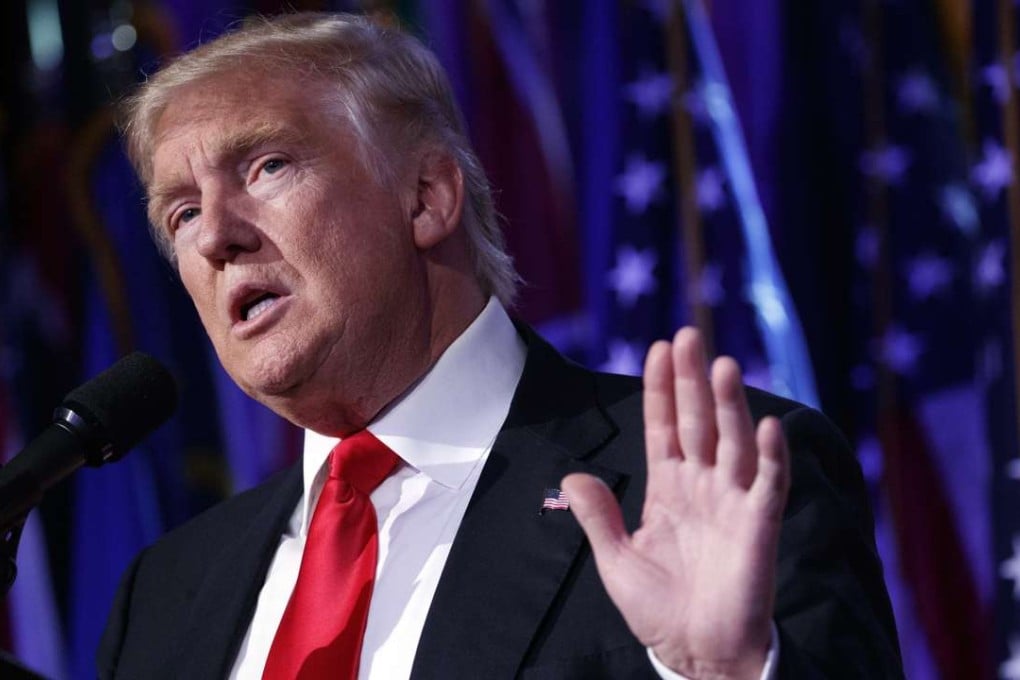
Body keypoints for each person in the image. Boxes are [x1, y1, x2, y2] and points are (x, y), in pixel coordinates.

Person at [97, 11, 903, 680]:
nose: (215, 238)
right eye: (181, 214)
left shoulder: (707, 485)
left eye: (267, 166)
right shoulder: (164, 596)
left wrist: (729, 673)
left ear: (427, 197)